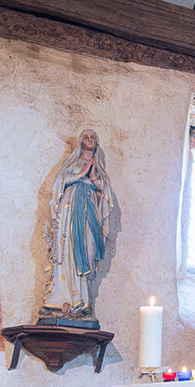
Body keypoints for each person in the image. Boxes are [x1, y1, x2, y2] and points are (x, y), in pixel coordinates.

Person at [42, 128, 116, 320]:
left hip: (88, 216)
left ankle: (81, 299)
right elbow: (60, 182)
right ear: (80, 142)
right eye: (86, 136)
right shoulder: (72, 165)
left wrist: (92, 179)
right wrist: (80, 174)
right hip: (69, 214)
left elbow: (106, 193)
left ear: (97, 143)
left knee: (87, 251)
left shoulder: (99, 170)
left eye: (93, 137)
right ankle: (59, 300)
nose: (89, 138)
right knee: (67, 253)